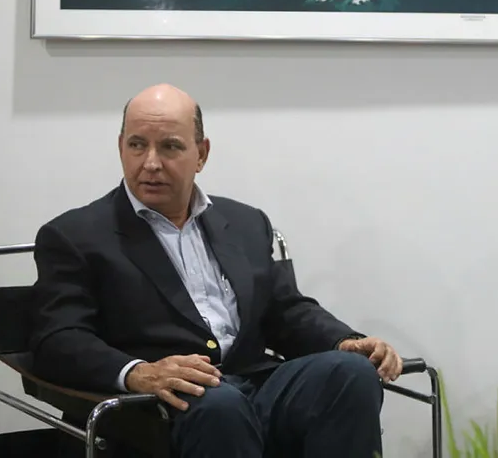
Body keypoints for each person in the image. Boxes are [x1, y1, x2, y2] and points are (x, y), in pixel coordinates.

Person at [30, 84, 403, 458]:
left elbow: (285, 310)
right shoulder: (75, 236)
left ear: (201, 154)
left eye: (170, 146)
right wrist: (138, 372)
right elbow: (58, 338)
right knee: (220, 406)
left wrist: (344, 340)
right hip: (156, 408)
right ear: (120, 146)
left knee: (350, 373)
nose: (151, 163)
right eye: (137, 145)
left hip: (254, 383)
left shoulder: (244, 222)